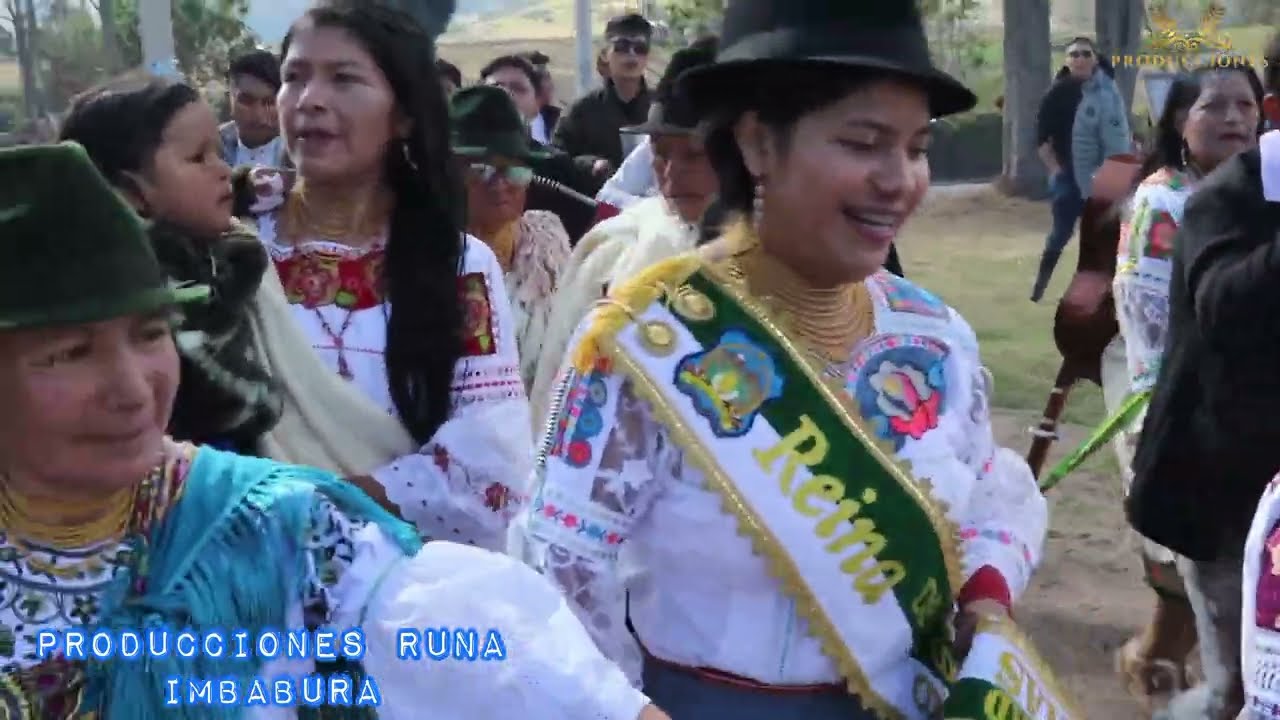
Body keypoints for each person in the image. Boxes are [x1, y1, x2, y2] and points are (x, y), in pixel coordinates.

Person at [0, 139, 672, 720]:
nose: (131, 389)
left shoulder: (284, 534)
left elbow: (512, 666)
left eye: (151, 336)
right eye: (69, 354)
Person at [514, 3, 1058, 718]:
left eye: (917, 147)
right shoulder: (645, 340)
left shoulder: (933, 337)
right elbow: (558, 561)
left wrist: (985, 598)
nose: (900, 180)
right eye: (864, 144)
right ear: (758, 145)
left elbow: (988, 492)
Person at [242, 2, 531, 551]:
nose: (310, 100)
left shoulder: (457, 265)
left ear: (404, 116)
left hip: (402, 571)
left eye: (344, 79)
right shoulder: (234, 252)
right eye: (294, 77)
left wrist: (322, 509)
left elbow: (489, 460)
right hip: (248, 561)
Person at [1102, 63, 1264, 713]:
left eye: (1245, 106)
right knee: (1189, 573)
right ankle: (1157, 668)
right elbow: (1151, 322)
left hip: (1237, 420)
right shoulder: (1164, 201)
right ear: (1178, 120)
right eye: (1214, 106)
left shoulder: (1257, 189)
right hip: (1174, 405)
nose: (1234, 119)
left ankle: (1159, 665)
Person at [59, 75, 281, 454]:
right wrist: (239, 275)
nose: (223, 170)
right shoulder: (149, 282)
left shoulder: (215, 248)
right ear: (131, 193)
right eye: (198, 158)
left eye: (219, 153)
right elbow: (235, 402)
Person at [529, 41, 719, 424]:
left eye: (695, 154)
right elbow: (555, 401)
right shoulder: (615, 250)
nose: (670, 173)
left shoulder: (805, 254)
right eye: (659, 153)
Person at [453, 85, 573, 390]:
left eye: (514, 172)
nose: (499, 185)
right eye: (481, 170)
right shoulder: (425, 253)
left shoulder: (548, 239)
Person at [1031, 38, 1130, 302]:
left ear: (1095, 59)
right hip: (1068, 177)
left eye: (1086, 54)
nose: (1080, 59)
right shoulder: (1056, 94)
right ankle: (1039, 288)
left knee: (1104, 235)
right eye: (1074, 54)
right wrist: (1056, 170)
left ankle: (1106, 290)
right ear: (1067, 61)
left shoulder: (1108, 93)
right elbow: (1042, 140)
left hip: (1101, 177)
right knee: (1060, 235)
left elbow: (1118, 133)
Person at [553, 13, 654, 190]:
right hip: (597, 201)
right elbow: (557, 160)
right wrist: (591, 165)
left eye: (640, 48)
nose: (632, 54)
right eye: (622, 46)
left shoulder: (663, 107)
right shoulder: (581, 111)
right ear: (605, 54)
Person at [221, 49, 289, 168]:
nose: (258, 115)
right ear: (229, 99)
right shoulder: (213, 147)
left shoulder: (303, 154)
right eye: (247, 101)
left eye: (269, 103)